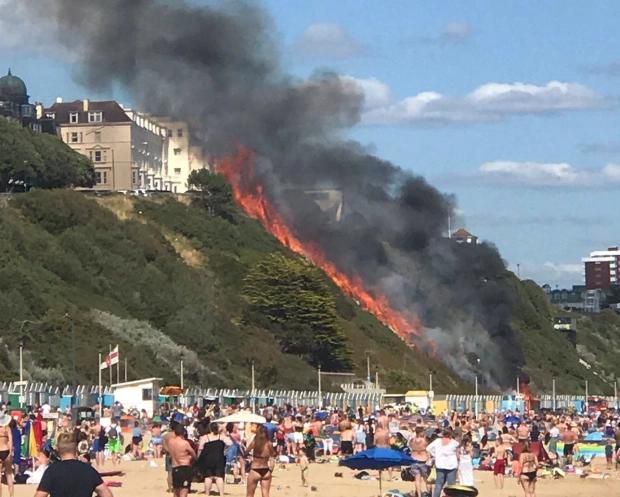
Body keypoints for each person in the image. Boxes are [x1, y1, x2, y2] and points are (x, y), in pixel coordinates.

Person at [33, 433, 113, 497]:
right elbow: (107, 494)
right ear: (76, 448)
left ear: (57, 449)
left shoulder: (52, 471)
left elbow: (40, 495)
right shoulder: (88, 470)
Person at [197, 422, 229, 496]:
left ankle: (207, 493)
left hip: (208, 458)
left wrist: (198, 457)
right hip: (219, 458)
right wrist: (225, 449)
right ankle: (221, 494)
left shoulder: (205, 437)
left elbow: (200, 448)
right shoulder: (221, 437)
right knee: (219, 476)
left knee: (208, 476)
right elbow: (229, 443)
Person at [426, 429, 459, 497]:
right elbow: (458, 454)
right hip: (451, 466)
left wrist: (435, 455)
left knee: (438, 484)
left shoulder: (437, 441)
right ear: (450, 435)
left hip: (440, 465)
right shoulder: (454, 442)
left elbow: (428, 448)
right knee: (451, 486)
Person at [246, 425, 276, 497]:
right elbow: (273, 454)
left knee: (250, 494)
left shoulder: (255, 442)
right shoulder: (269, 444)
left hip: (255, 469)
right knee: (265, 494)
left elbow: (246, 452)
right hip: (265, 470)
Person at [168, 423, 196, 497]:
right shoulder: (185, 443)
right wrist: (190, 457)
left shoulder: (170, 442)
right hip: (184, 468)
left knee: (176, 492)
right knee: (183, 492)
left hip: (175, 468)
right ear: (183, 432)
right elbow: (194, 454)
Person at [409, 426, 430, 497]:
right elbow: (428, 449)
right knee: (427, 479)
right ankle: (429, 493)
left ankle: (419, 495)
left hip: (414, 459)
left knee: (417, 480)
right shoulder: (424, 440)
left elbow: (410, 447)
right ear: (420, 432)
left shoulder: (412, 440)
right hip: (423, 460)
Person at [0, 414, 14, 497]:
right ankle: (11, 496)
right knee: (9, 475)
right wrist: (10, 452)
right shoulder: (7, 428)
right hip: (6, 451)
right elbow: (11, 441)